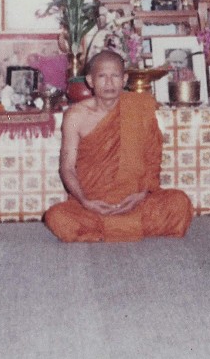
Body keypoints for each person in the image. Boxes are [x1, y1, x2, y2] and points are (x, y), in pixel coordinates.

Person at [43, 50, 194, 243]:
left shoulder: (138, 107)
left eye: (115, 76)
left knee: (179, 203)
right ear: (90, 81)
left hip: (135, 200)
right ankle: (128, 226)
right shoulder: (75, 116)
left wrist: (141, 194)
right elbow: (67, 168)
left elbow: (152, 158)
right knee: (57, 217)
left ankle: (107, 229)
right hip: (93, 202)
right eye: (102, 76)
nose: (109, 83)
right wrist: (85, 201)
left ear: (124, 79)